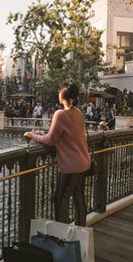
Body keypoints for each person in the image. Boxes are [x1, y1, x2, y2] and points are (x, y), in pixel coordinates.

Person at [25, 83, 90, 226]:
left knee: (61, 199)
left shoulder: (60, 114)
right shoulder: (78, 113)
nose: (58, 91)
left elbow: (50, 140)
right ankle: (81, 232)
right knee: (79, 198)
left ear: (63, 96)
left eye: (61, 90)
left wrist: (32, 135)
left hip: (71, 166)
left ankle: (63, 238)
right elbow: (62, 136)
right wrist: (40, 134)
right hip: (84, 162)